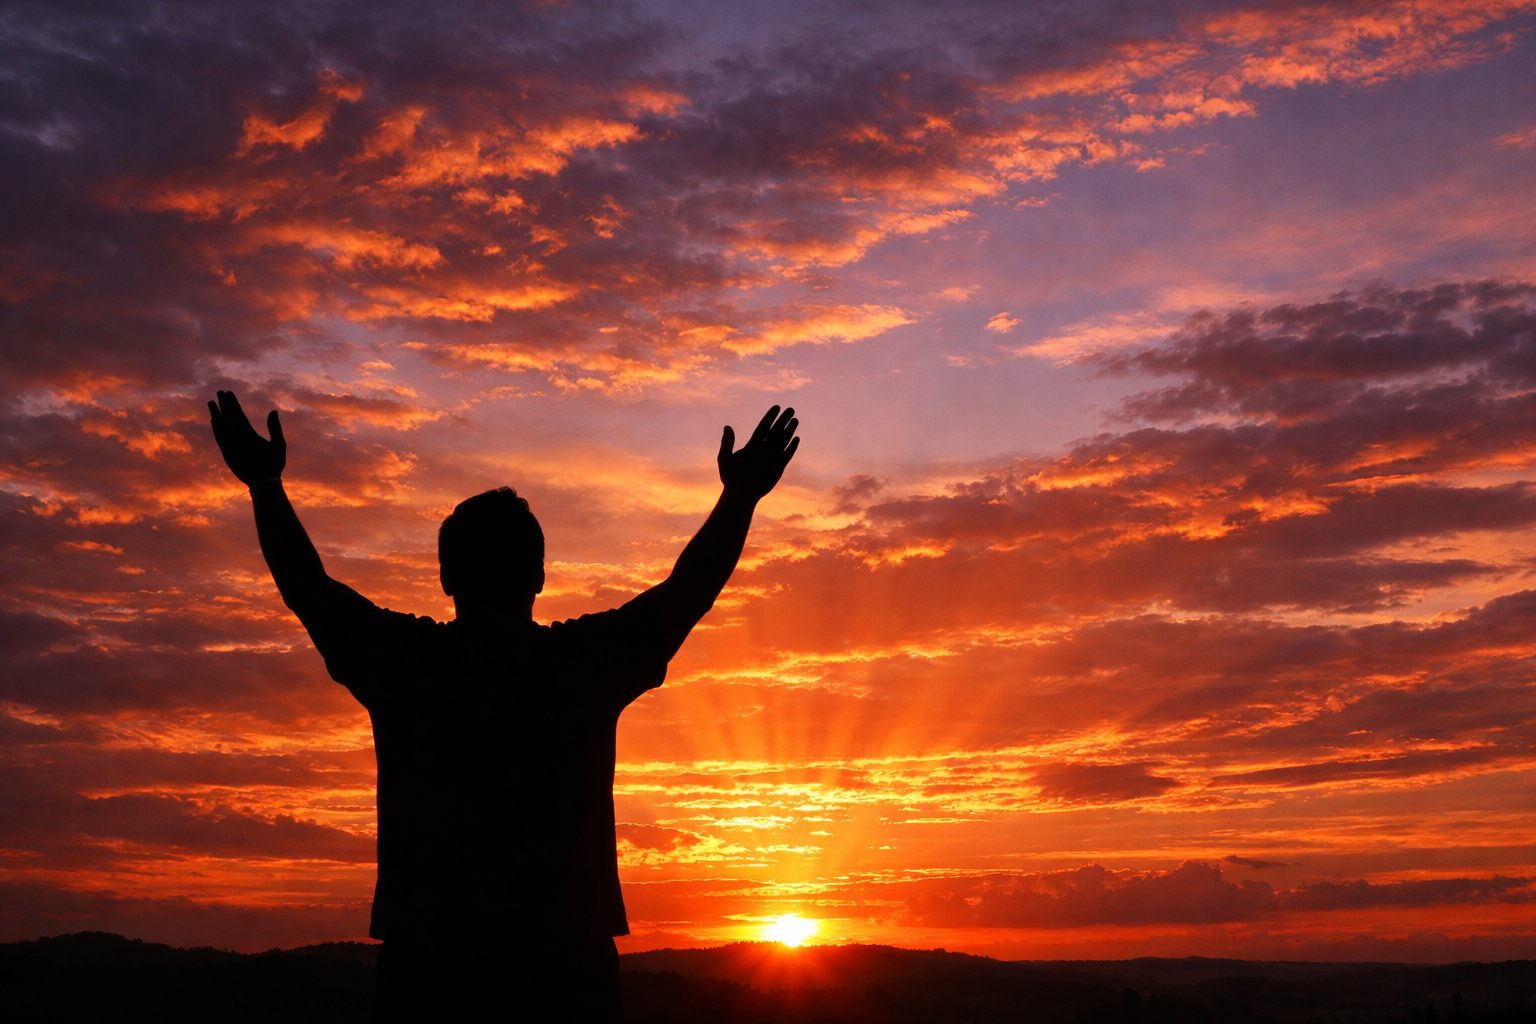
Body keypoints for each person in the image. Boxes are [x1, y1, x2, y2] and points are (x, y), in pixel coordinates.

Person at [208, 391, 800, 1021]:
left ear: (445, 577)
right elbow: (689, 589)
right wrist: (740, 497)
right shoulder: (583, 664)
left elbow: (308, 588)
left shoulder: (407, 664)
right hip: (565, 972)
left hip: (432, 971)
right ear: (540, 575)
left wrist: (266, 485)